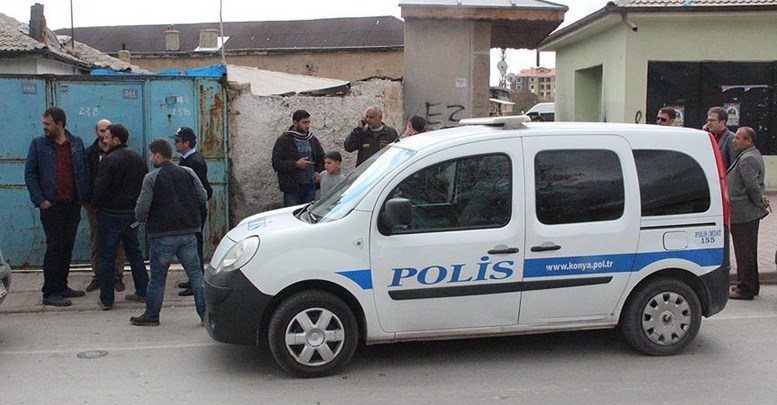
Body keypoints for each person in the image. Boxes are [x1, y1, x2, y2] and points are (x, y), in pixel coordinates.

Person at [131, 138, 208, 326]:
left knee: (157, 278)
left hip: (162, 235)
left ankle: (151, 315)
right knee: (196, 275)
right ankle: (205, 315)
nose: (150, 158)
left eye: (151, 155)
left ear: (158, 155)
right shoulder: (188, 172)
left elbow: (141, 209)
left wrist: (142, 219)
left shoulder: (151, 178)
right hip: (188, 232)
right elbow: (203, 196)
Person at [24, 107, 89, 307]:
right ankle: (49, 291)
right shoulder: (39, 144)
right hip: (51, 205)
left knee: (67, 246)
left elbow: (84, 169)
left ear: (59, 124)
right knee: (55, 247)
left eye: (47, 124)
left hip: (72, 204)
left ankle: (62, 286)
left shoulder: (76, 142)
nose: (44, 127)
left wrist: (82, 197)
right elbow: (30, 174)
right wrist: (41, 200)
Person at [92, 124, 149, 310]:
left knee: (107, 256)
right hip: (132, 216)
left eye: (107, 137)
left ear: (116, 140)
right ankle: (143, 291)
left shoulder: (108, 161)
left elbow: (99, 191)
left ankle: (107, 299)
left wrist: (98, 209)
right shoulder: (138, 159)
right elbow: (145, 187)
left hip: (110, 216)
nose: (104, 140)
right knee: (135, 253)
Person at [727, 126, 769, 300]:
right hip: (745, 212)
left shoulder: (748, 159)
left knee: (744, 252)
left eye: (738, 138)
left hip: (744, 213)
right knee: (748, 251)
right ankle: (752, 285)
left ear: (748, 141)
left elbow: (752, 186)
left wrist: (760, 203)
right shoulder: (748, 155)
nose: (734, 140)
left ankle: (746, 288)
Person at [84, 119, 125, 293]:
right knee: (96, 239)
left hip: (115, 205)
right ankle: (98, 276)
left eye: (107, 131)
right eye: (101, 131)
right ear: (96, 132)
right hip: (94, 205)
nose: (104, 135)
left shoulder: (120, 154)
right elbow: (83, 176)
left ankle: (117, 277)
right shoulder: (89, 153)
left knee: (118, 241)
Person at [173, 127, 212, 297]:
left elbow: (199, 190)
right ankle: (193, 278)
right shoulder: (187, 160)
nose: (175, 144)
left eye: (177, 141)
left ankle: (197, 281)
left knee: (194, 246)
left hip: (194, 210)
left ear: (186, 143)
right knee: (191, 245)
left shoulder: (194, 162)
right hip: (191, 210)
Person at [271, 110, 325, 207]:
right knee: (292, 215)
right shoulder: (284, 140)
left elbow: (322, 158)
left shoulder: (311, 139)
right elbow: (276, 163)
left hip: (310, 186)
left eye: (309, 122)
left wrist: (318, 172)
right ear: (295, 123)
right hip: (292, 188)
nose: (307, 125)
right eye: (304, 122)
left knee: (307, 215)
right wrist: (296, 164)